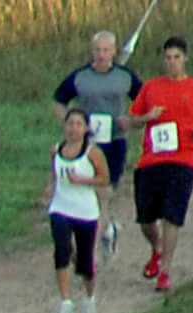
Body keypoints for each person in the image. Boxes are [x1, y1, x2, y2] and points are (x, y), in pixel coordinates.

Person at [129, 37, 193, 293]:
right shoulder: (150, 88)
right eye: (168, 58)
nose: (172, 63)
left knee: (172, 214)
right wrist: (148, 117)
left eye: (176, 58)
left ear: (185, 59)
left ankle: (165, 271)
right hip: (152, 158)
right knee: (146, 219)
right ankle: (157, 250)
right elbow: (133, 119)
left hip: (185, 158)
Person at [53, 29, 143, 259]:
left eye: (106, 50)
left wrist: (131, 122)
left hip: (114, 142)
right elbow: (59, 101)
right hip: (86, 145)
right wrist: (72, 124)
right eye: (97, 50)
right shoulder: (80, 77)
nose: (101, 55)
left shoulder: (125, 77)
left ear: (114, 51)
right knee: (86, 192)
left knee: (103, 192)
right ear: (92, 52)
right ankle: (102, 231)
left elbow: (144, 102)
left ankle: (91, 244)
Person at [49, 109, 105, 313]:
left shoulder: (92, 153)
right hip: (60, 208)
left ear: (86, 128)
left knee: (85, 261)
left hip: (85, 211)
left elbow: (104, 178)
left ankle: (89, 301)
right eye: (70, 124)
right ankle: (65, 302)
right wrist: (49, 189)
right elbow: (53, 174)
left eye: (78, 124)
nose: (73, 128)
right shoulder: (56, 149)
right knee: (61, 251)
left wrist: (83, 180)